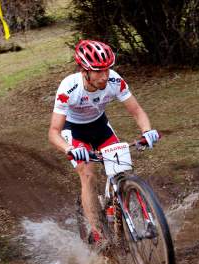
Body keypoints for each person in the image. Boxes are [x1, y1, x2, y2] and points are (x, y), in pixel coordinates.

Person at [48, 40, 160, 244]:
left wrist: (147, 131)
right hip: (74, 131)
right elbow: (53, 132)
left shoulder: (115, 81)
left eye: (107, 69)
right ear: (84, 71)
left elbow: (137, 111)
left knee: (122, 169)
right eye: (98, 71)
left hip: (100, 126)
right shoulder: (69, 88)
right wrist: (69, 149)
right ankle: (98, 233)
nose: (104, 76)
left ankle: (133, 212)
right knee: (88, 174)